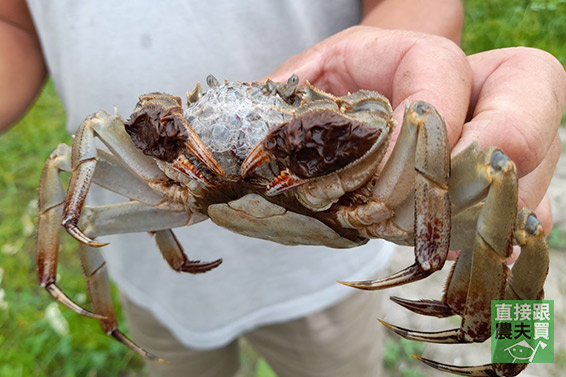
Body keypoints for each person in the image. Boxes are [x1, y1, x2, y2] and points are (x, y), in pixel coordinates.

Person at [1, 1, 564, 377]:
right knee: (70, 157)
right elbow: (16, 26)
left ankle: (519, 359)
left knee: (513, 200)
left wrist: (414, 50)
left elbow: (425, 62)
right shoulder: (166, 169)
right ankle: (99, 315)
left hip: (331, 291)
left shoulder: (385, 181)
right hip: (161, 288)